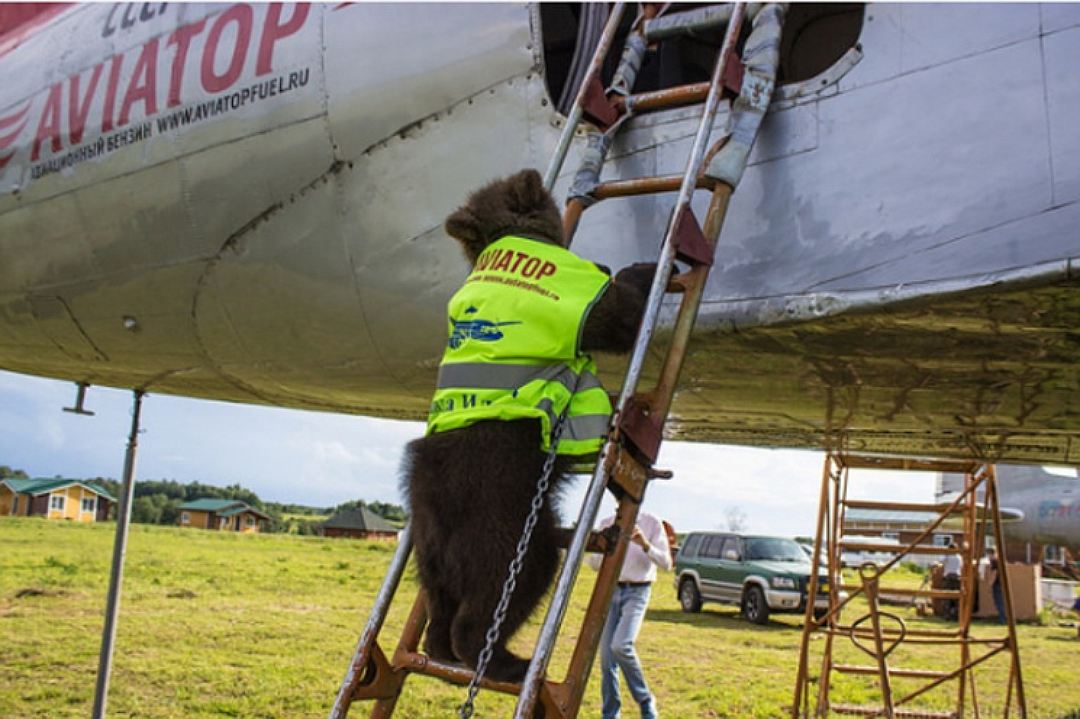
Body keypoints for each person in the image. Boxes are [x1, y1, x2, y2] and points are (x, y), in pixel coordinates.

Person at [588, 511, 672, 719]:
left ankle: (645, 700)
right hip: (612, 590)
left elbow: (667, 564)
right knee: (607, 660)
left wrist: (645, 544)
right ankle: (610, 714)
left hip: (638, 591)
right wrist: (602, 546)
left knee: (621, 645)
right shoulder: (607, 523)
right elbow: (593, 564)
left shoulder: (652, 523)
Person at [941, 538, 962, 620]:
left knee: (947, 597)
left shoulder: (948, 556)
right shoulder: (959, 557)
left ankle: (947, 615)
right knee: (957, 598)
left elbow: (941, 562)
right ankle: (956, 615)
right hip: (957, 577)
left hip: (948, 577)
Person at [984, 547, 1006, 624]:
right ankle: (1003, 619)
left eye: (988, 554)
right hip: (1001, 583)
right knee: (1001, 602)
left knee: (999, 602)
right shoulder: (998, 560)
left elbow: (994, 573)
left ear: (991, 554)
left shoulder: (994, 561)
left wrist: (990, 584)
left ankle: (1002, 620)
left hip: (997, 584)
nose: (988, 556)